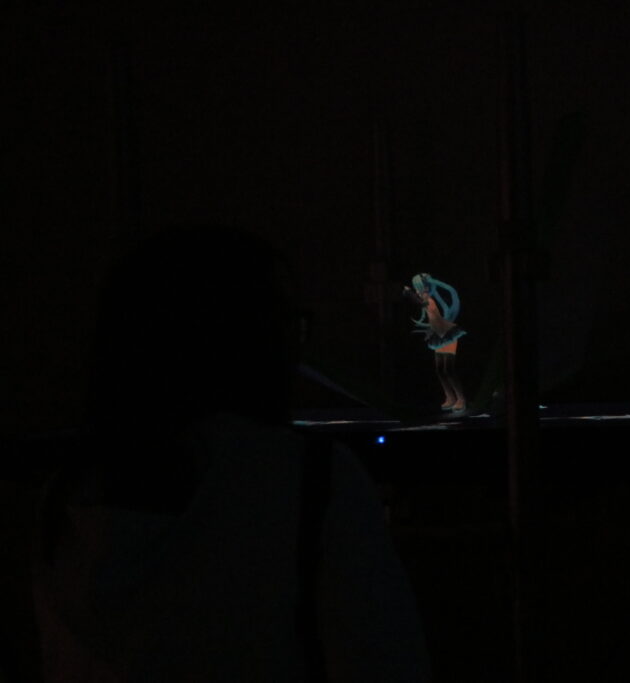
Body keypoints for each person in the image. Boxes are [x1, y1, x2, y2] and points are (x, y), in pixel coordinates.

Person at [32, 227, 430, 682]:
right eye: (286, 323)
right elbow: (384, 659)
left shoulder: (65, 499)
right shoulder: (309, 483)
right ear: (252, 339)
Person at [403, 273, 467, 413]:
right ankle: (450, 397)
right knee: (440, 370)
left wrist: (409, 293)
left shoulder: (429, 300)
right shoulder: (427, 300)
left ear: (426, 288)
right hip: (438, 336)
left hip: (447, 334)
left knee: (448, 370)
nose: (418, 292)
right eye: (417, 289)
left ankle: (461, 399)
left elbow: (421, 303)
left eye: (419, 289)